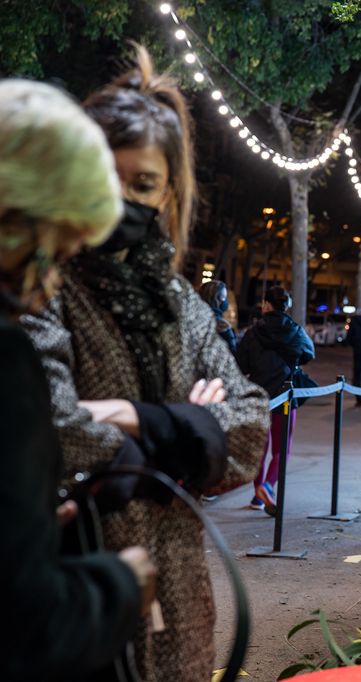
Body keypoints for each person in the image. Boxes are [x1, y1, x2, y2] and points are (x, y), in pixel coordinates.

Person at [20, 47, 269, 682]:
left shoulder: (181, 303)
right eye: (108, 175)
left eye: (143, 184)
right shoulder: (41, 287)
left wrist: (134, 417)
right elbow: (47, 429)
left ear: (170, 191)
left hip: (181, 599)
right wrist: (190, 429)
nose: (122, 198)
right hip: (72, 597)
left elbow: (249, 429)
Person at [0, 78, 158, 681]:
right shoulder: (7, 358)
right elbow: (26, 624)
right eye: (59, 252)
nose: (53, 283)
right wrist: (115, 586)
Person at [236, 286, 314, 514]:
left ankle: (258, 496)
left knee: (260, 447)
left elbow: (241, 365)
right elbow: (309, 353)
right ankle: (268, 486)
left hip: (259, 394)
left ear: (266, 304)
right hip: (285, 394)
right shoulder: (295, 330)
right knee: (282, 448)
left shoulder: (253, 332)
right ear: (286, 306)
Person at [199, 279, 237, 354]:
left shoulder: (195, 320)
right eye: (224, 297)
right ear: (217, 299)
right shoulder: (222, 326)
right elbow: (232, 353)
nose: (226, 301)